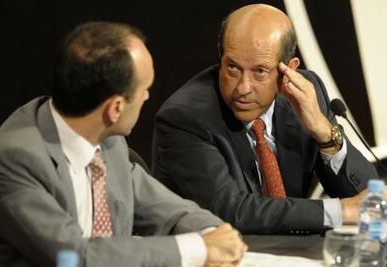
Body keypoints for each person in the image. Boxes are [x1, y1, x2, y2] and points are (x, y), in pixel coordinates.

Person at [0, 22, 247, 267]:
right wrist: (197, 249)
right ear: (114, 108)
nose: (147, 96)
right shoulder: (13, 160)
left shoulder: (109, 143)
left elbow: (170, 210)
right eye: (144, 89)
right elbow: (71, 257)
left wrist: (213, 235)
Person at [152, 4, 379, 235]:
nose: (243, 87)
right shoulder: (185, 117)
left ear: (289, 70)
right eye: (232, 67)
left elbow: (367, 198)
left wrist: (324, 132)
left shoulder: (305, 94)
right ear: (220, 58)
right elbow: (230, 211)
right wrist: (340, 211)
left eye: (259, 71)